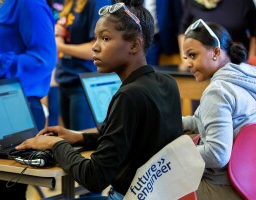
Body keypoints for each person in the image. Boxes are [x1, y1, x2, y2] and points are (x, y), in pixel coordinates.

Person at [16, 0, 183, 199]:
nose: (95, 47)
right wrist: (80, 137)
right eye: (96, 38)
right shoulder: (167, 82)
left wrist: (55, 145)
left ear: (135, 44)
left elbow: (94, 178)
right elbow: (127, 140)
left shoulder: (128, 95)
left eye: (105, 38)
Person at [0, 0, 57, 199]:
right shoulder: (4, 4)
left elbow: (44, 60)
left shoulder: (29, 3)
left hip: (14, 110)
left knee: (5, 193)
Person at [182, 19, 256, 199]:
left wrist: (178, 154)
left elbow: (216, 154)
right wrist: (170, 123)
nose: (188, 64)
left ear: (215, 51)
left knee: (159, 184)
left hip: (224, 186)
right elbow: (205, 120)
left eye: (192, 55)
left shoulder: (218, 92)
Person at [54, 0, 111, 131]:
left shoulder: (97, 3)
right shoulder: (71, 3)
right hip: (65, 79)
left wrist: (61, 46)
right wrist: (60, 30)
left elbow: (96, 48)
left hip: (85, 83)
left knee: (81, 142)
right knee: (70, 140)